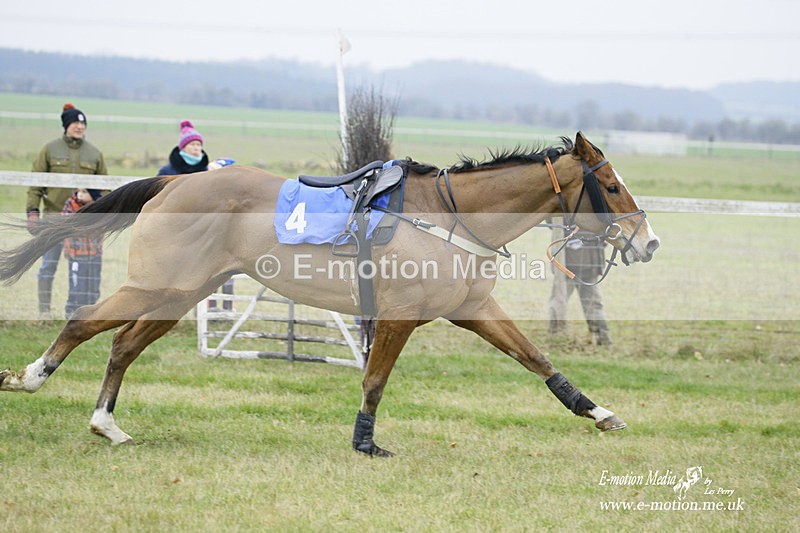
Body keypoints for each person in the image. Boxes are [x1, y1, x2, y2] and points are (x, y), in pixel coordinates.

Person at [27, 103, 107, 319]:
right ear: (66, 125)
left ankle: (84, 314)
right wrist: (32, 212)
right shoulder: (49, 149)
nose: (79, 127)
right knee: (47, 267)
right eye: (75, 123)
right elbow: (35, 184)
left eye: (83, 123)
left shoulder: (94, 153)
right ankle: (44, 313)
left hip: (83, 226)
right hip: (54, 220)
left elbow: (105, 187)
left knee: (86, 273)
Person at [158, 120, 234, 310]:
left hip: (202, 226)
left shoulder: (208, 170)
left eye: (199, 145)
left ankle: (218, 308)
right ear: (183, 147)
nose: (196, 148)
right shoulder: (168, 171)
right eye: (193, 144)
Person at [548, 219, 612, 346]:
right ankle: (556, 337)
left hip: (590, 266)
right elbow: (552, 220)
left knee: (594, 304)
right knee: (559, 301)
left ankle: (602, 339)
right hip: (566, 267)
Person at [62, 188, 104, 318]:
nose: (80, 194)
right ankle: (71, 314)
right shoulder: (71, 205)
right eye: (79, 191)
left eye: (85, 192)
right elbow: (68, 224)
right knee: (77, 287)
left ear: (93, 195)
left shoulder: (101, 207)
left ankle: (89, 313)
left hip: (94, 255)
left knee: (93, 286)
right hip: (77, 255)